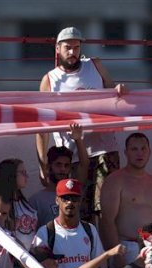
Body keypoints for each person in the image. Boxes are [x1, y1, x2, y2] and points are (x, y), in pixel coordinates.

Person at [37, 27, 126, 224]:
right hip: (72, 155)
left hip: (104, 149)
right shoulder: (49, 80)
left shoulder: (95, 65)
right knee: (79, 210)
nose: (72, 52)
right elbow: (42, 125)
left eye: (76, 47)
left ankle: (107, 252)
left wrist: (119, 89)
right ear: (57, 49)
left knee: (107, 210)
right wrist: (43, 164)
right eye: (68, 47)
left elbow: (114, 94)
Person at [100, 133, 152, 268]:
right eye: (134, 149)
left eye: (143, 149)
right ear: (126, 152)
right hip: (128, 248)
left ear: (149, 152)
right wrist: (117, 256)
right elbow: (107, 221)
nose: (140, 153)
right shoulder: (115, 180)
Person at [27, 127, 89, 226]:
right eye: (58, 165)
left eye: (66, 165)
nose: (63, 169)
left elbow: (84, 164)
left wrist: (78, 139)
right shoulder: (36, 201)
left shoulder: (75, 191)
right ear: (49, 166)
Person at [0, 158, 39, 251]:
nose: (27, 176)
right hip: (9, 256)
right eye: (23, 173)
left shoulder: (26, 203)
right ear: (10, 174)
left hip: (30, 257)